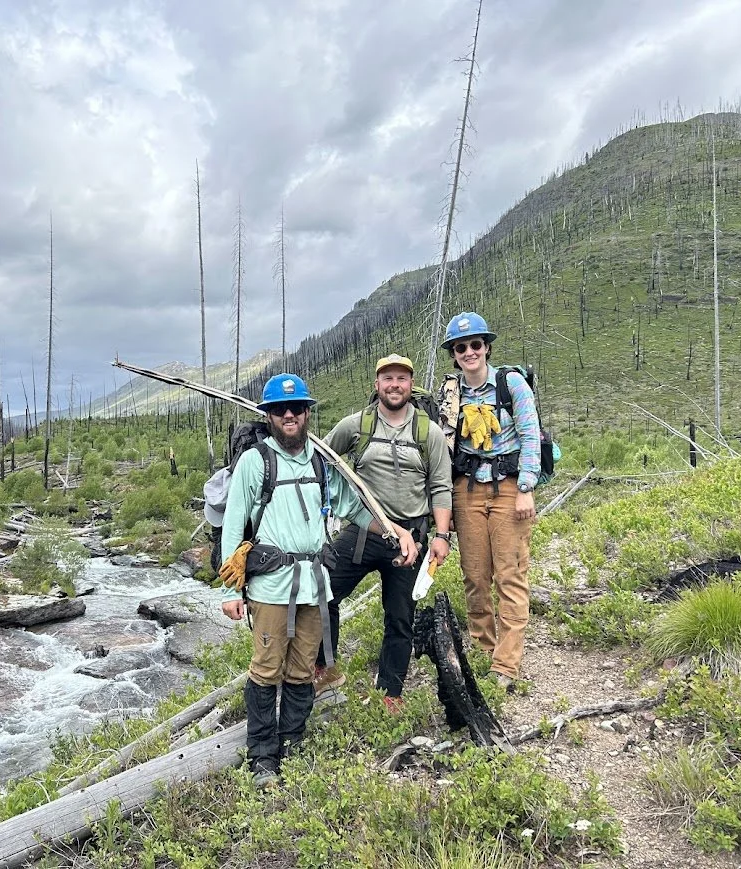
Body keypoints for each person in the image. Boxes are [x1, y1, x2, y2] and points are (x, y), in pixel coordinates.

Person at [219, 373, 418, 786]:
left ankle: (291, 743)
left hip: (315, 582)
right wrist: (230, 590)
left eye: (296, 408)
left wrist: (393, 530)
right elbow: (234, 523)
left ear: (308, 412)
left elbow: (355, 509)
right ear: (269, 416)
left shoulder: (321, 462)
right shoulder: (256, 462)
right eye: (279, 410)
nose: (288, 415)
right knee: (266, 670)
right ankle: (262, 758)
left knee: (301, 670)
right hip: (271, 586)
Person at [314, 354, 454, 711]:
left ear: (411, 384)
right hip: (363, 532)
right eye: (387, 378)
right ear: (376, 385)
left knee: (400, 617)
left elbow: (440, 486)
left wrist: (441, 536)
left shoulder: (429, 433)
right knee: (320, 591)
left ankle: (391, 692)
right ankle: (324, 667)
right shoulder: (356, 425)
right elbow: (323, 458)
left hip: (412, 539)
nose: (394, 384)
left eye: (402, 378)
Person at [438, 313, 540, 692]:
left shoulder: (511, 384)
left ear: (487, 348)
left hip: (509, 488)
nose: (469, 352)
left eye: (475, 345)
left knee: (510, 576)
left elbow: (530, 434)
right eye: (461, 347)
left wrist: (526, 487)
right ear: (454, 354)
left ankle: (507, 664)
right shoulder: (451, 394)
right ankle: (484, 650)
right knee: (475, 577)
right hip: (466, 491)